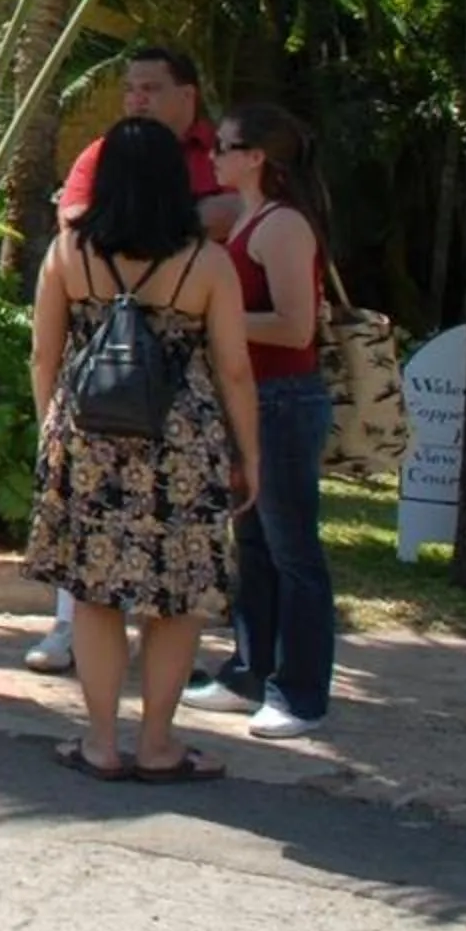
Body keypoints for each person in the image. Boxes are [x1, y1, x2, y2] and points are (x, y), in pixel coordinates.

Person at [24, 116, 259, 782]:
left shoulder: (68, 252)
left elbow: (44, 352)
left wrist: (53, 431)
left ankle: (100, 741)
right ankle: (158, 743)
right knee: (176, 597)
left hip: (89, 433)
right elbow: (234, 369)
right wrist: (251, 453)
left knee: (95, 592)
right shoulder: (206, 261)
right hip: (181, 443)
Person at [182, 104, 337, 738]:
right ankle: (250, 671)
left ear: (257, 158)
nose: (212, 156)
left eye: (224, 147)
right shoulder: (248, 220)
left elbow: (296, 327)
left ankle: (300, 692)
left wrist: (215, 320)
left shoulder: (281, 226)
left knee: (293, 549)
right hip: (252, 400)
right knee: (254, 545)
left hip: (283, 400)